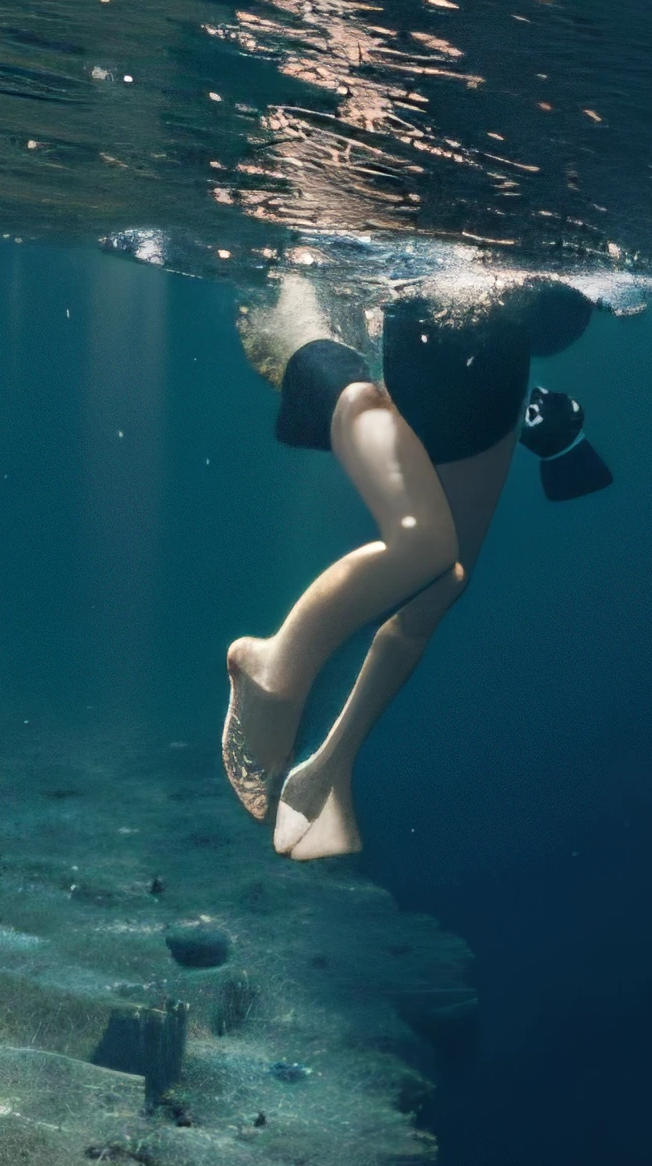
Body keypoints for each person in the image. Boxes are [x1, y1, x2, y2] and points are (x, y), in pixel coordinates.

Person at [222, 263, 607, 860]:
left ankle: (331, 764)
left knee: (444, 582)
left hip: (488, 381)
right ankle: (273, 661)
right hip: (373, 369)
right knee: (425, 544)